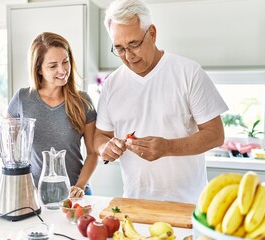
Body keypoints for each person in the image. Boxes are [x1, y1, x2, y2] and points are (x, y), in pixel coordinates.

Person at [94, 0, 229, 204]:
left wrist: (167, 147)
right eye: (119, 49)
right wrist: (105, 148)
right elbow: (100, 136)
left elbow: (216, 135)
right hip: (135, 204)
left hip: (189, 204)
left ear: (153, 33)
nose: (129, 56)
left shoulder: (188, 73)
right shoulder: (111, 85)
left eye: (134, 44)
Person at [8, 32, 98, 198]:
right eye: (53, 66)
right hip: (35, 194)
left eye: (65, 61)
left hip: (76, 193)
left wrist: (79, 186)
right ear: (39, 69)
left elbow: (93, 153)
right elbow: (9, 145)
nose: (62, 70)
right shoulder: (22, 99)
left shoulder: (83, 101)